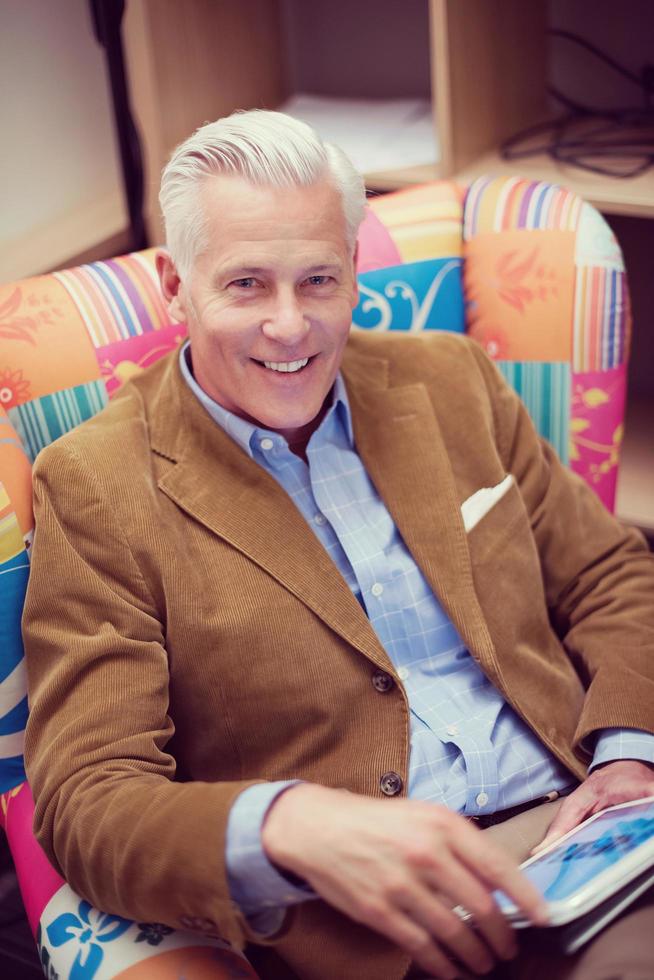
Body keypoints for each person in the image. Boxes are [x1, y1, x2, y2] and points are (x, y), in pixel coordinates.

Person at [23, 110, 654, 980]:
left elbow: (611, 573)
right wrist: (287, 825)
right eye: (246, 284)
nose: (292, 327)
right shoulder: (93, 485)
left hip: (590, 828)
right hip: (388, 926)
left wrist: (631, 756)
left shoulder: (453, 379)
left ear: (355, 268)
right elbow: (86, 801)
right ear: (176, 284)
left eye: (319, 278)